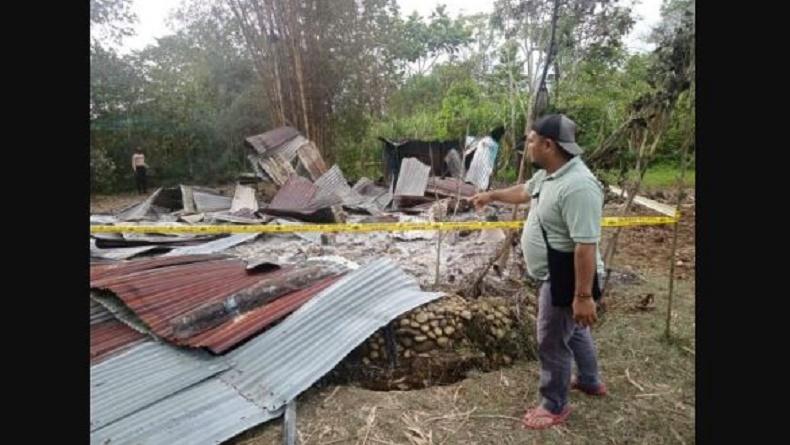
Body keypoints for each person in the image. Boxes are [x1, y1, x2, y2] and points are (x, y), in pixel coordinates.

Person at [471, 114, 607, 430]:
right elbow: (524, 191)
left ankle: (554, 404)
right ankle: (589, 380)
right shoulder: (550, 174)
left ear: (549, 144)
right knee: (574, 331)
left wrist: (583, 296)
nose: (526, 146)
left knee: (551, 339)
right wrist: (491, 195)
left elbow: (585, 246)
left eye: (531, 140)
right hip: (556, 272)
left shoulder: (579, 187)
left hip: (567, 278)